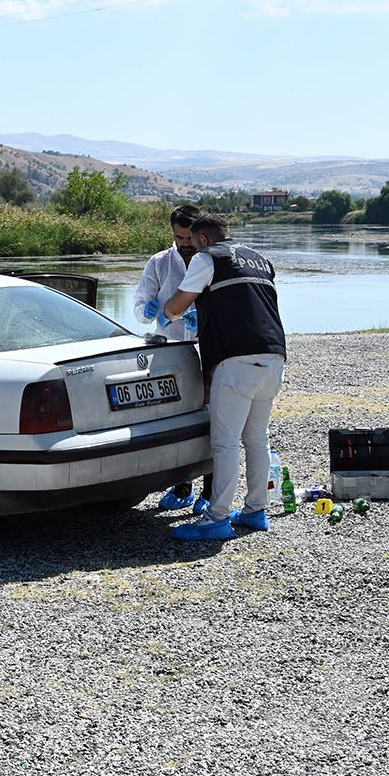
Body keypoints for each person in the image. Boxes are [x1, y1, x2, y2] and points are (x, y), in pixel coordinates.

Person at [160, 214, 286, 542]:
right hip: (273, 356)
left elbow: (178, 303)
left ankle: (216, 519)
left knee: (226, 442)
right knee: (257, 438)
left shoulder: (207, 257)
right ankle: (255, 511)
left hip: (237, 359)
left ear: (202, 239)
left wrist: (169, 313)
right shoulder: (259, 259)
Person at [136, 204, 207, 512]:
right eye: (180, 237)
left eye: (189, 237)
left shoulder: (209, 262)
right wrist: (147, 310)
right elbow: (139, 307)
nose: (185, 243)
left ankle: (210, 491)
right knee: (173, 421)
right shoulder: (159, 263)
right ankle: (182, 487)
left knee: (207, 417)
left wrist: (200, 322)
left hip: (203, 349)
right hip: (167, 352)